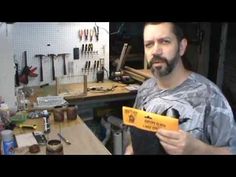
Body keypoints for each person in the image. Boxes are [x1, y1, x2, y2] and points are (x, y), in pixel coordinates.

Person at [124, 22, 236, 155]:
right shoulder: (145, 89)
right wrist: (131, 149)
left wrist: (199, 150)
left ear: (182, 47)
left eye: (165, 41)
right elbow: (134, 138)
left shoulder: (210, 96)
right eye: (149, 45)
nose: (155, 51)